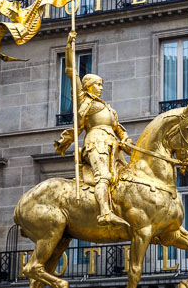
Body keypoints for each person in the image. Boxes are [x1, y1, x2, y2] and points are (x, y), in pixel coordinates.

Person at [54, 31, 132, 227]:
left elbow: (120, 129)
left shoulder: (108, 108)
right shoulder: (84, 99)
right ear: (88, 86)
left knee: (126, 179)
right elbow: (72, 72)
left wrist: (127, 141)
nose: (101, 88)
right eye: (97, 84)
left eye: (102, 84)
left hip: (113, 146)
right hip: (96, 143)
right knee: (103, 176)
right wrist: (69, 47)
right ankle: (105, 213)